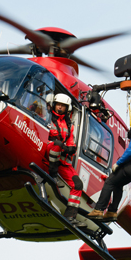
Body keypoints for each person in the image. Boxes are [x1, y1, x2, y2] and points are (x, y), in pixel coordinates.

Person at [46, 93, 86, 228]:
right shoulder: (47, 117)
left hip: (61, 161)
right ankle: (52, 175)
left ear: (67, 108)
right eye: (58, 105)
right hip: (46, 153)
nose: (60, 108)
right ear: (53, 105)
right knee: (56, 144)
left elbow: (71, 142)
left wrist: (71, 148)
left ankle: (70, 216)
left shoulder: (69, 125)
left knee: (78, 185)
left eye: (63, 106)